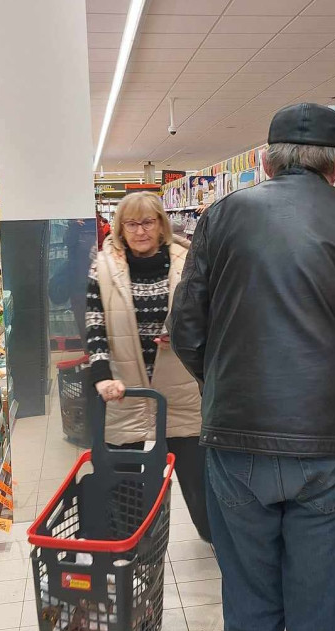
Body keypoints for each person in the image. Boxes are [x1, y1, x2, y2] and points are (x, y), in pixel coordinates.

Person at [169, 103, 335, 631]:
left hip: (235, 437)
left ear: (266, 162)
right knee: (324, 608)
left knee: (250, 601)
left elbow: (186, 330)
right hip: (329, 443)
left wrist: (222, 382)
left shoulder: (219, 218)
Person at [86, 191, 211, 542]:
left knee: (198, 478)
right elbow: (95, 325)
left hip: (181, 388)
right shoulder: (103, 267)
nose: (140, 230)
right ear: (120, 228)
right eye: (132, 223)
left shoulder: (188, 262)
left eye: (148, 221)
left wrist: (185, 333)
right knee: (124, 480)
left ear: (161, 224)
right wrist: (101, 376)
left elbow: (209, 316)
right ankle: (129, 542)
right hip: (125, 389)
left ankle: (213, 534)